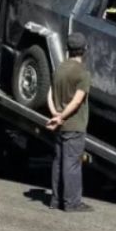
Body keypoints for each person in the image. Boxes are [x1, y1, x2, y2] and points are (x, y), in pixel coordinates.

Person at [46, 32, 92, 212]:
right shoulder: (83, 73)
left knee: (58, 162)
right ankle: (72, 203)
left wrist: (55, 114)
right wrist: (62, 116)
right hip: (74, 125)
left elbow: (49, 93)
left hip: (60, 126)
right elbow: (77, 101)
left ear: (68, 50)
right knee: (72, 164)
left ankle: (56, 201)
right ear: (84, 50)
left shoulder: (59, 68)